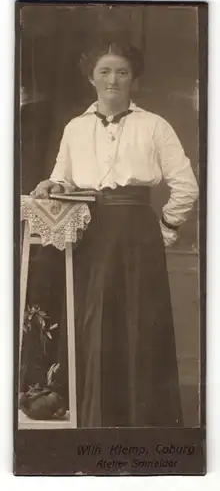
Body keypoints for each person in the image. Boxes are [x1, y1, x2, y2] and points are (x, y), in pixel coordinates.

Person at [31, 39, 199, 428]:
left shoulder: (155, 126)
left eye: (122, 72)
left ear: (133, 80)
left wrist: (167, 228)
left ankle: (145, 422)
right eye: (104, 71)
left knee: (141, 323)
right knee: (94, 325)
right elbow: (62, 176)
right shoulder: (75, 128)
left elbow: (186, 186)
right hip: (91, 232)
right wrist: (51, 185)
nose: (113, 79)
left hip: (138, 233)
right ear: (91, 77)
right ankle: (97, 422)